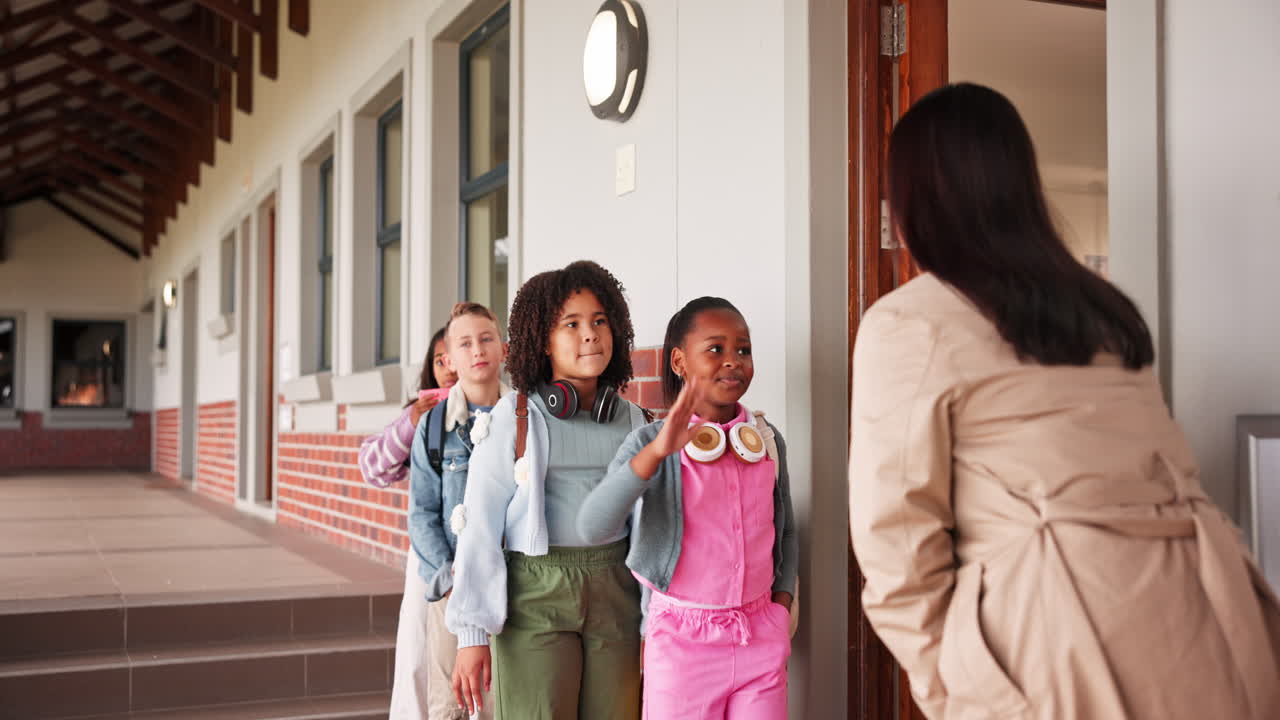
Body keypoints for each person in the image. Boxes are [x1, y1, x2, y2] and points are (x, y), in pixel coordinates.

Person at [848, 82, 1280, 720]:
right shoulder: (1101, 312)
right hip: (1207, 614)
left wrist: (953, 688)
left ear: (912, 200)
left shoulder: (911, 322)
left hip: (1055, 637)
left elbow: (896, 541)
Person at [578, 297, 798, 719]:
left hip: (759, 639)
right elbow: (594, 524)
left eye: (743, 350)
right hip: (682, 647)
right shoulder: (649, 444)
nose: (732, 361)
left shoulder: (767, 441)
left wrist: (780, 605)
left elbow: (785, 528)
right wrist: (657, 453)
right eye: (715, 349)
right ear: (679, 361)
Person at [448, 260, 650, 720]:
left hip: (616, 590)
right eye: (572, 324)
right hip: (535, 594)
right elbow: (479, 525)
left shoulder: (635, 422)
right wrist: (472, 634)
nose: (590, 334)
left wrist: (655, 622)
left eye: (600, 321)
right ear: (543, 339)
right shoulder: (514, 419)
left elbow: (652, 525)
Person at [409, 302, 509, 720]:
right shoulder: (433, 428)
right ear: (449, 359)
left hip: (515, 592)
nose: (478, 349)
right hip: (453, 588)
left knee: (505, 704)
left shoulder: (526, 418)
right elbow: (422, 514)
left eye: (486, 338)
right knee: (453, 707)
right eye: (465, 343)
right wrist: (450, 581)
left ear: (503, 348)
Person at [357, 326, 456, 718]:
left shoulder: (499, 408)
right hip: (428, 553)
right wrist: (410, 422)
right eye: (439, 359)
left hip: (483, 555)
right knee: (417, 654)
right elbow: (372, 469)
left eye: (456, 353)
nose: (449, 366)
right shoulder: (419, 415)